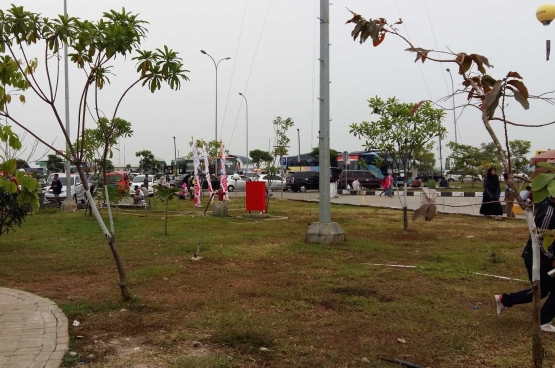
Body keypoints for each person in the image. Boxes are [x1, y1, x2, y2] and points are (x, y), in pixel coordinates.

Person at [495, 196, 555, 332]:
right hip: (537, 257)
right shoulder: (549, 213)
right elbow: (541, 242)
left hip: (543, 255)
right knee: (542, 289)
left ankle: (504, 300)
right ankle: (543, 321)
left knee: (541, 290)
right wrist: (552, 261)